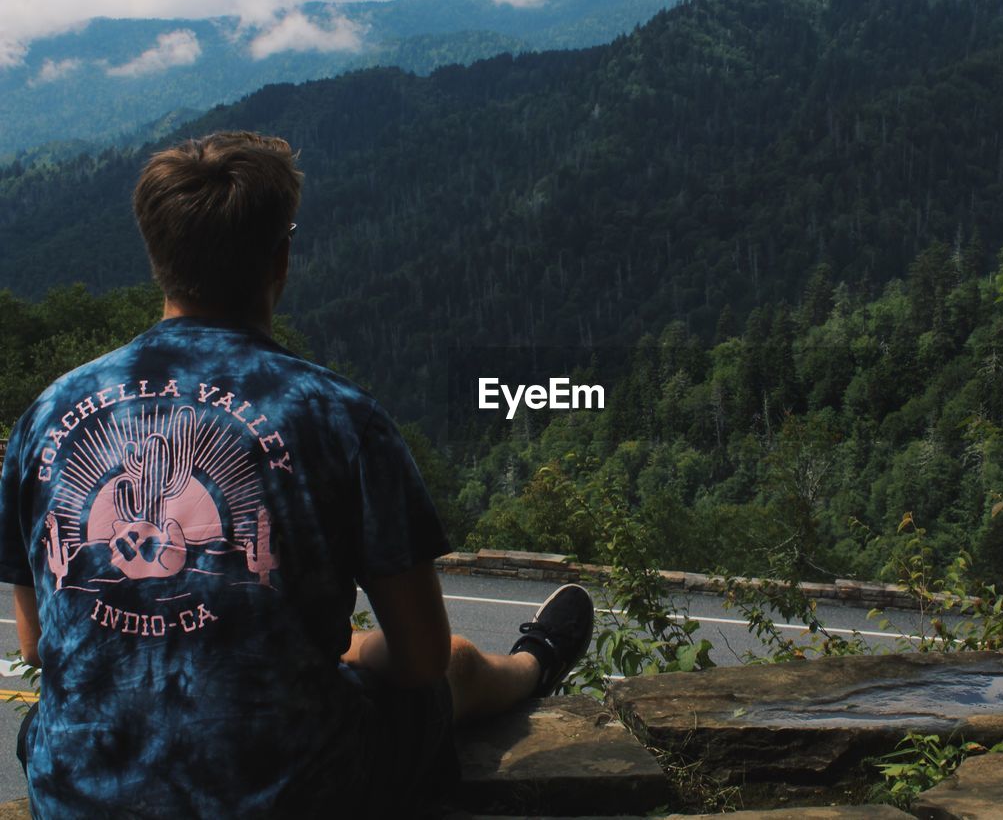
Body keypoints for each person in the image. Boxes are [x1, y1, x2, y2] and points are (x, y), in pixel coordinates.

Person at [0, 131, 595, 817]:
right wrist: (341, 651)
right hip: (289, 792)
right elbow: (420, 656)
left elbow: (39, 644)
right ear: (280, 258)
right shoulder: (339, 416)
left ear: (157, 256)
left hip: (81, 793)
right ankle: (534, 664)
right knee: (451, 668)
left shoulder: (48, 414)